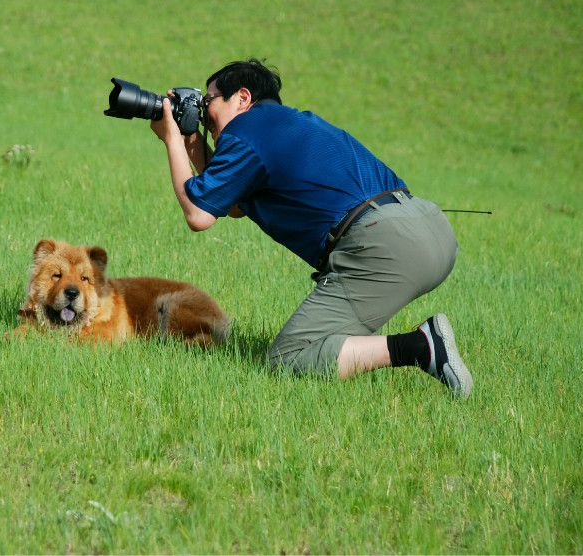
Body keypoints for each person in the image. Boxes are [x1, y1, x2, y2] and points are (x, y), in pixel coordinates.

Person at [150, 58, 472, 397]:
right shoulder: (286, 125)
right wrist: (191, 141)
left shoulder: (245, 130)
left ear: (242, 97)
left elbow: (199, 214)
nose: (204, 114)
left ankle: (420, 346)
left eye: (209, 101)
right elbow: (233, 205)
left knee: (289, 358)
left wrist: (171, 139)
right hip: (430, 230)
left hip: (386, 246)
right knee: (330, 338)